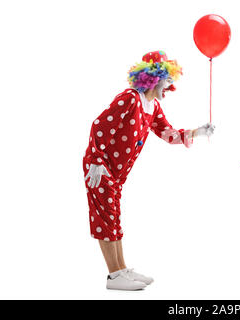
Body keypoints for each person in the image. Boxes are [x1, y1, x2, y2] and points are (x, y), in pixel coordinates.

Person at [83, 51, 215, 290]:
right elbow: (99, 126)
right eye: (168, 81)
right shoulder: (130, 98)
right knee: (106, 217)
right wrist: (95, 160)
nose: (170, 87)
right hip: (100, 166)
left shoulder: (152, 106)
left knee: (114, 217)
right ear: (154, 78)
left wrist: (198, 132)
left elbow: (168, 133)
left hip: (116, 172)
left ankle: (121, 270)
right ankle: (114, 276)